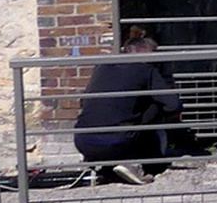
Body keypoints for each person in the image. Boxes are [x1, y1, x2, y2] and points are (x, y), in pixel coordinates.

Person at [72, 29, 195, 185]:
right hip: (118, 142)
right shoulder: (146, 70)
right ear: (150, 55)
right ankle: (137, 164)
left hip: (83, 141)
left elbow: (84, 102)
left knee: (117, 112)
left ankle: (104, 166)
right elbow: (173, 105)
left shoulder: (102, 67)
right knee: (155, 105)